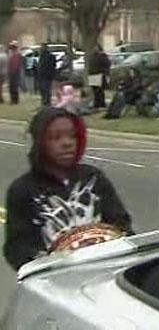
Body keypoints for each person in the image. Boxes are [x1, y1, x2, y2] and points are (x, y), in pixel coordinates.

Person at [3, 107, 132, 270]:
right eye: (55, 137)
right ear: (40, 142)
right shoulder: (23, 190)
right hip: (54, 281)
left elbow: (121, 223)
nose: (67, 143)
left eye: (73, 136)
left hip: (104, 271)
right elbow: (16, 249)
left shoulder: (93, 178)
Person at [88, 45, 111, 109]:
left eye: (96, 48)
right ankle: (96, 103)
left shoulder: (102, 56)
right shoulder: (92, 56)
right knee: (94, 90)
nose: (94, 49)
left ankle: (101, 104)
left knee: (99, 91)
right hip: (92, 75)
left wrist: (104, 72)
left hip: (99, 74)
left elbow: (107, 64)